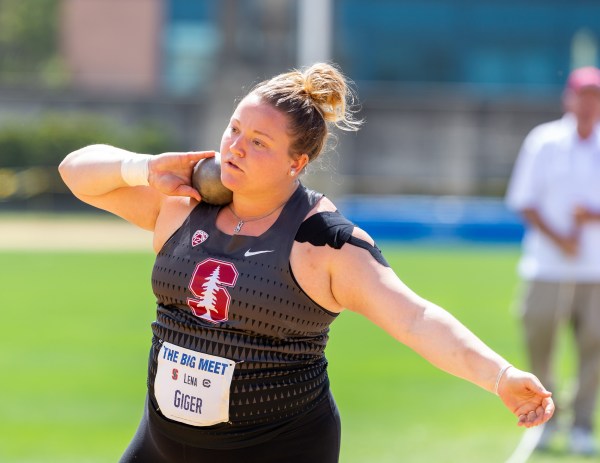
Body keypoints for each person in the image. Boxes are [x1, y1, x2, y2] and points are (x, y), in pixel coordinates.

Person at [60, 62, 553, 463]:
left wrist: (500, 376)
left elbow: (416, 317)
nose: (235, 147)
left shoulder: (325, 243)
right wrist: (145, 166)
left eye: (259, 142)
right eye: (234, 129)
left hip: (278, 450)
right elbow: (76, 173)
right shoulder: (182, 203)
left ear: (297, 163)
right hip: (164, 445)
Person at [505, 66, 600, 456]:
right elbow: (523, 201)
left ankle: (582, 423)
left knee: (594, 349)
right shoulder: (544, 141)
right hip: (546, 266)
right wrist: (560, 236)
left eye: (595, 95)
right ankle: (545, 419)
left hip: (595, 269)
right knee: (540, 344)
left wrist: (590, 217)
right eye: (583, 94)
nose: (588, 102)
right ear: (569, 98)